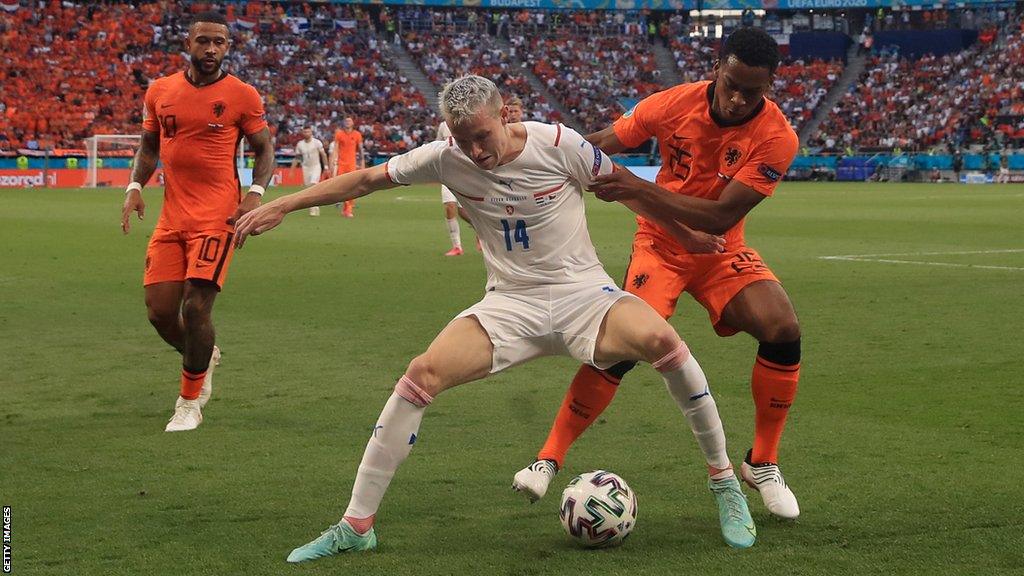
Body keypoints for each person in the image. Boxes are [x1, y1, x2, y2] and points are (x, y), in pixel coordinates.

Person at [233, 75, 755, 561]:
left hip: (583, 295)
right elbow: (366, 180)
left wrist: (685, 236)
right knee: (421, 375)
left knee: (663, 342)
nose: (476, 152)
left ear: (504, 114)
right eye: (464, 141)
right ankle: (356, 525)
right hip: (509, 303)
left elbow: (625, 187)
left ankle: (723, 481)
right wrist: (286, 204)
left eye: (482, 136)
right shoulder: (445, 157)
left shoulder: (560, 144)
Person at [513, 27, 804, 520]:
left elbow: (717, 218)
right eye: (730, 82)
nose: (736, 98)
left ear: (771, 85)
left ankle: (763, 462)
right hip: (659, 246)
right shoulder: (671, 104)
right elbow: (600, 145)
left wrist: (636, 188)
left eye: (751, 91)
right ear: (716, 68)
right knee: (621, 347)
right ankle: (548, 458)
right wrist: (535, 157)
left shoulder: (777, 138)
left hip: (720, 249)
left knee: (783, 330)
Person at [120, 11, 275, 432]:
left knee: (196, 305)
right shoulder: (160, 91)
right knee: (160, 312)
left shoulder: (242, 94)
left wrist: (255, 195)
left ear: (227, 47)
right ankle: (204, 353)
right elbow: (149, 144)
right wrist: (135, 185)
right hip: (173, 217)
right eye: (203, 41)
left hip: (218, 216)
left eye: (219, 43)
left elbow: (264, 148)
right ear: (187, 45)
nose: (210, 49)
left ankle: (189, 402)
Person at [437, 95, 522, 256]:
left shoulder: (476, 122)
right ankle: (457, 246)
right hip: (449, 172)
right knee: (450, 207)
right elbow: (438, 146)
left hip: (470, 171)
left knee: (472, 209)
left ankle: (485, 231)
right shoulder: (444, 126)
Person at [330, 116, 365, 217]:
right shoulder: (339, 134)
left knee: (352, 186)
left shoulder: (357, 135)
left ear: (353, 123)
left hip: (352, 164)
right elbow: (336, 149)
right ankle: (347, 207)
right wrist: (333, 161)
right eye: (346, 121)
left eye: (349, 121)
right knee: (342, 186)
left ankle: (348, 208)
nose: (347, 122)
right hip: (341, 164)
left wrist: (362, 162)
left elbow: (360, 149)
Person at [291, 126, 329, 216]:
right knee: (308, 189)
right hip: (306, 167)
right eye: (305, 132)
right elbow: (297, 157)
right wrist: (292, 169)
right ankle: (314, 206)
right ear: (302, 133)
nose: (307, 133)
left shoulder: (317, 142)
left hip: (316, 166)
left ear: (311, 132)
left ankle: (313, 208)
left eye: (308, 132)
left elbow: (323, 155)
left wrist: (326, 167)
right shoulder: (300, 144)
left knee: (313, 184)